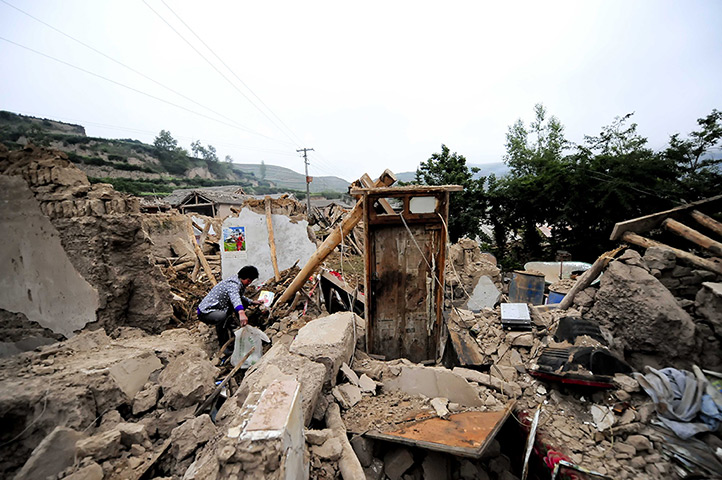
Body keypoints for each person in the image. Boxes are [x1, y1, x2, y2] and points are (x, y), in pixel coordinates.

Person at [197, 265, 263, 348]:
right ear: (248, 280)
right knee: (222, 317)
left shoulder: (237, 280)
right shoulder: (233, 284)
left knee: (241, 304)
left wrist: (251, 302)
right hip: (206, 312)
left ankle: (232, 324)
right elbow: (235, 297)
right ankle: (224, 346)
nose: (249, 283)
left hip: (219, 308)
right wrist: (241, 312)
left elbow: (240, 297)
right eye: (249, 281)